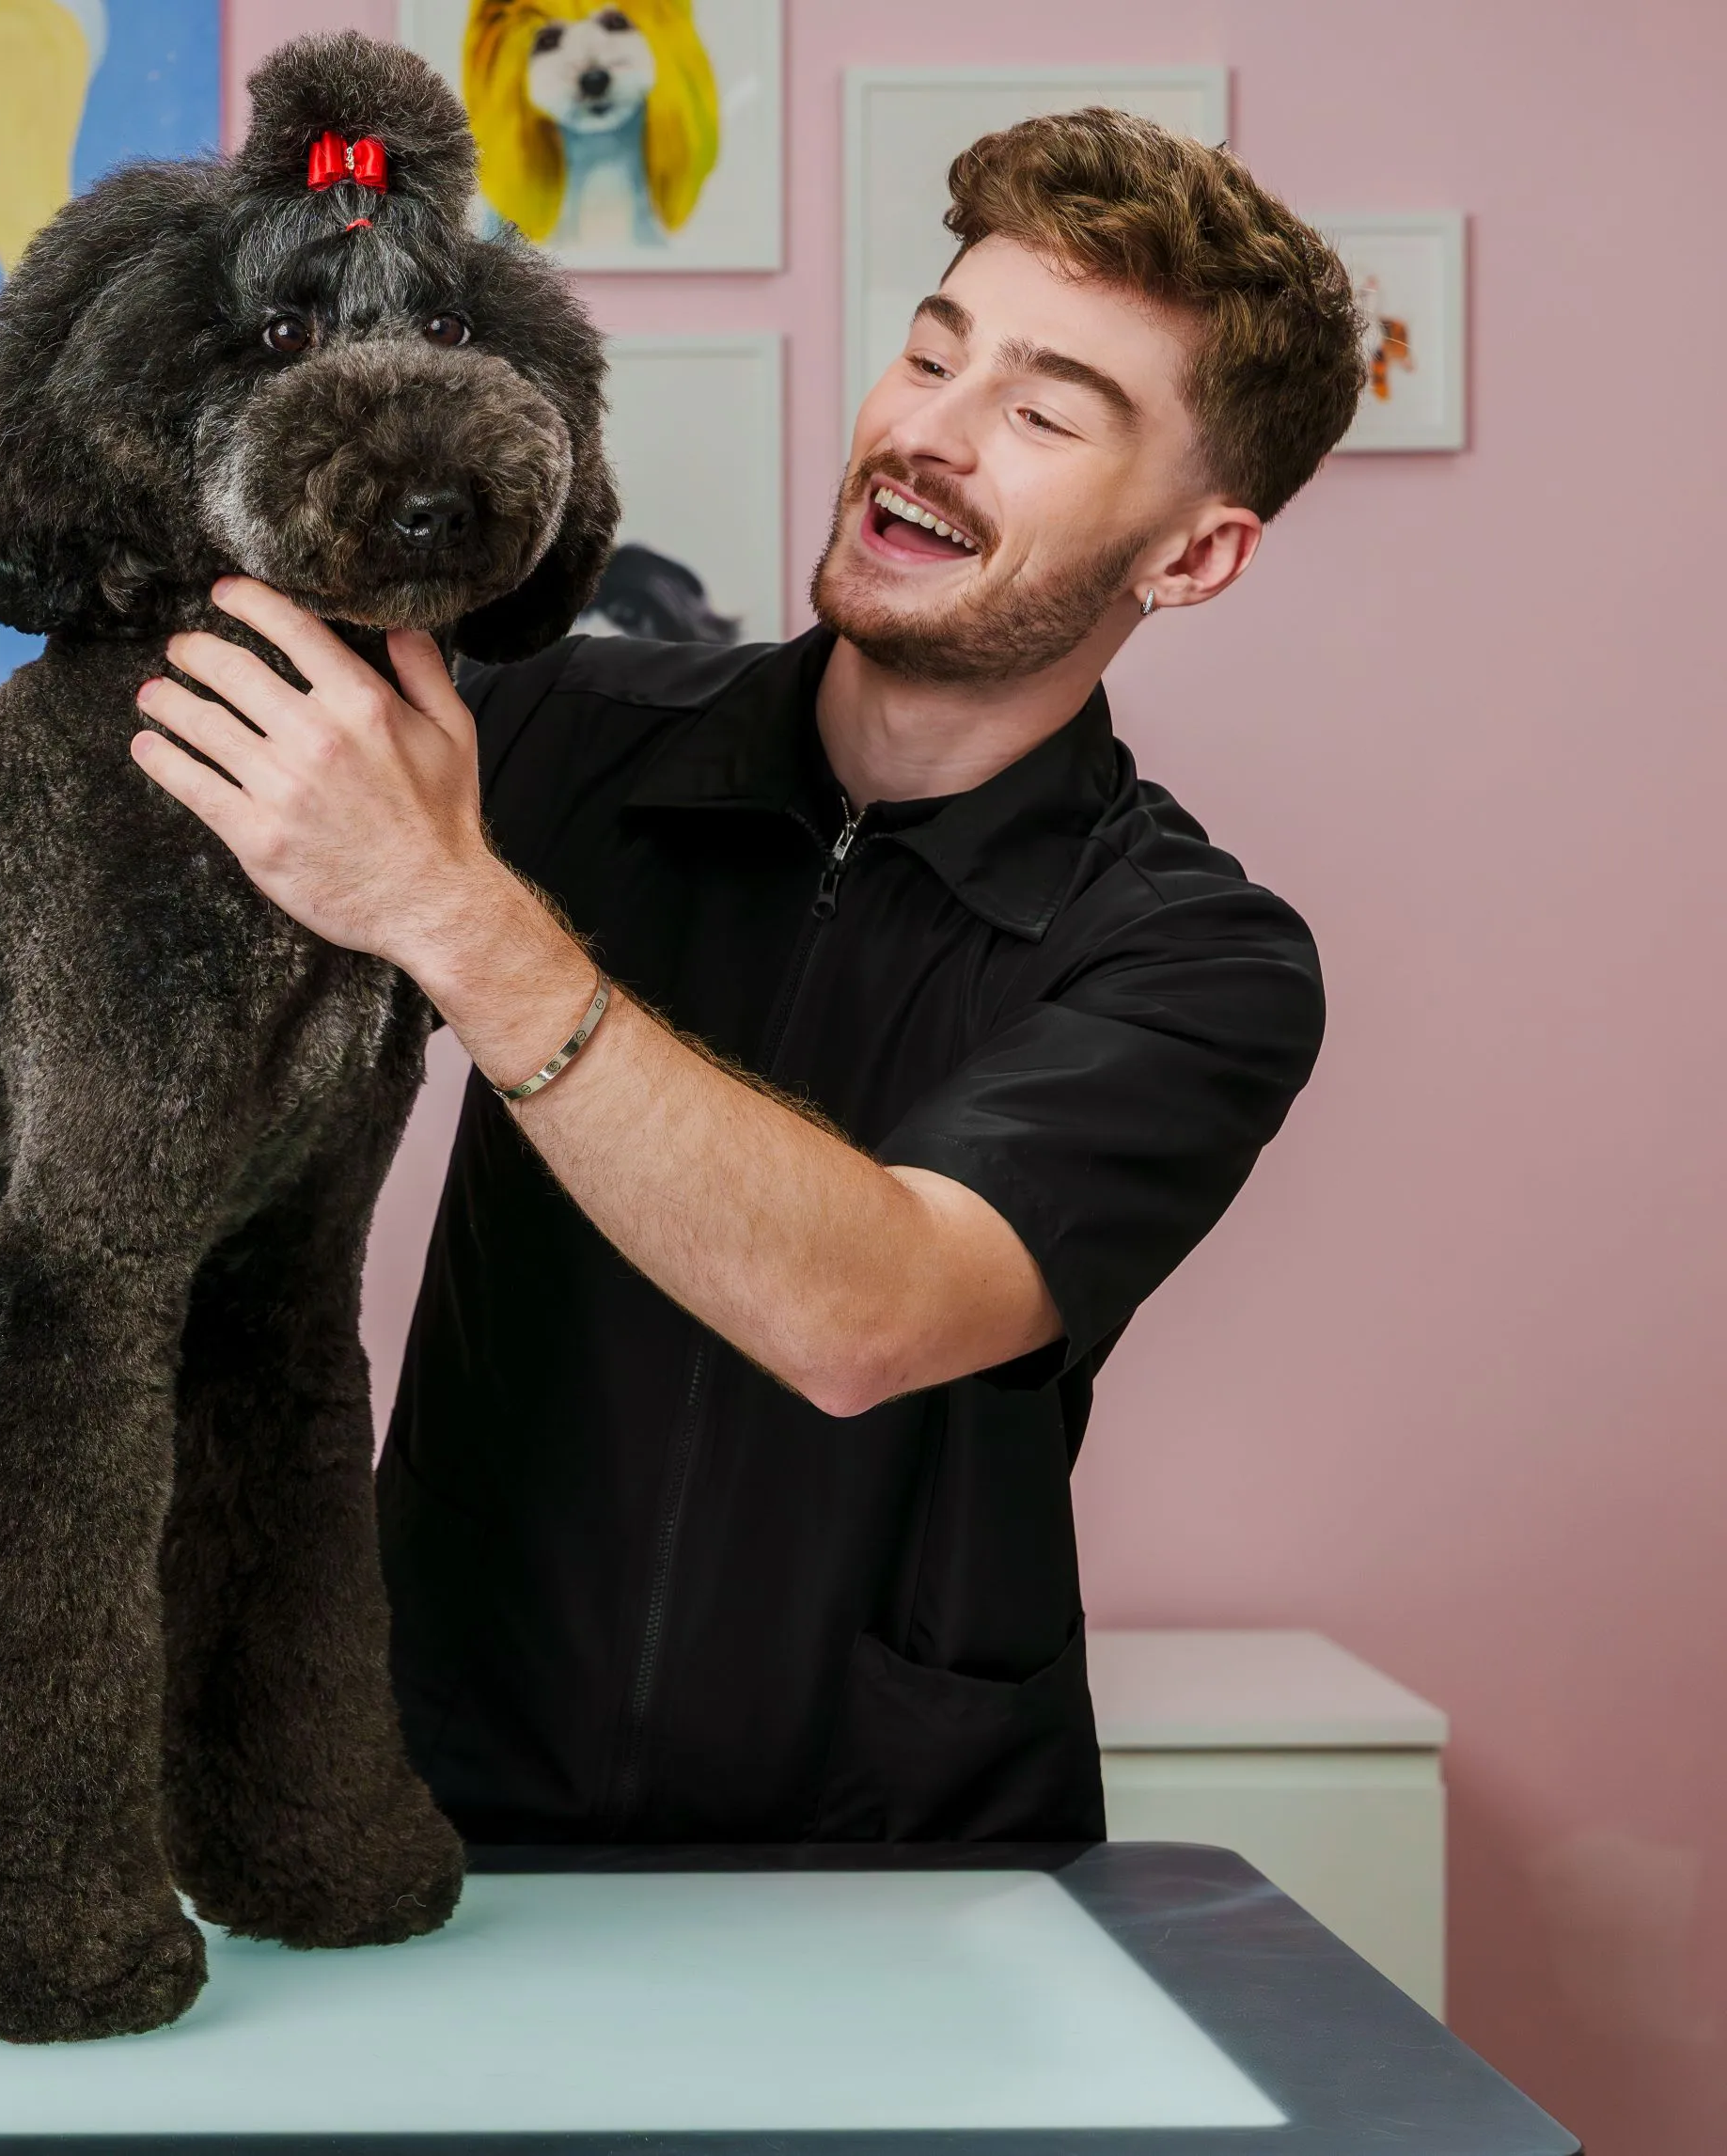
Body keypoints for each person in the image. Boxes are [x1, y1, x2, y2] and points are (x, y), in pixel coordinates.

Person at [130, 109, 1361, 1843]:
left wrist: (456, 911)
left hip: (893, 1860)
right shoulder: (542, 738)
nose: (926, 434)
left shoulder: (1197, 960)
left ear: (1193, 553)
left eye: (1040, 412)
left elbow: (866, 1315)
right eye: (933, 353)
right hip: (429, 1804)